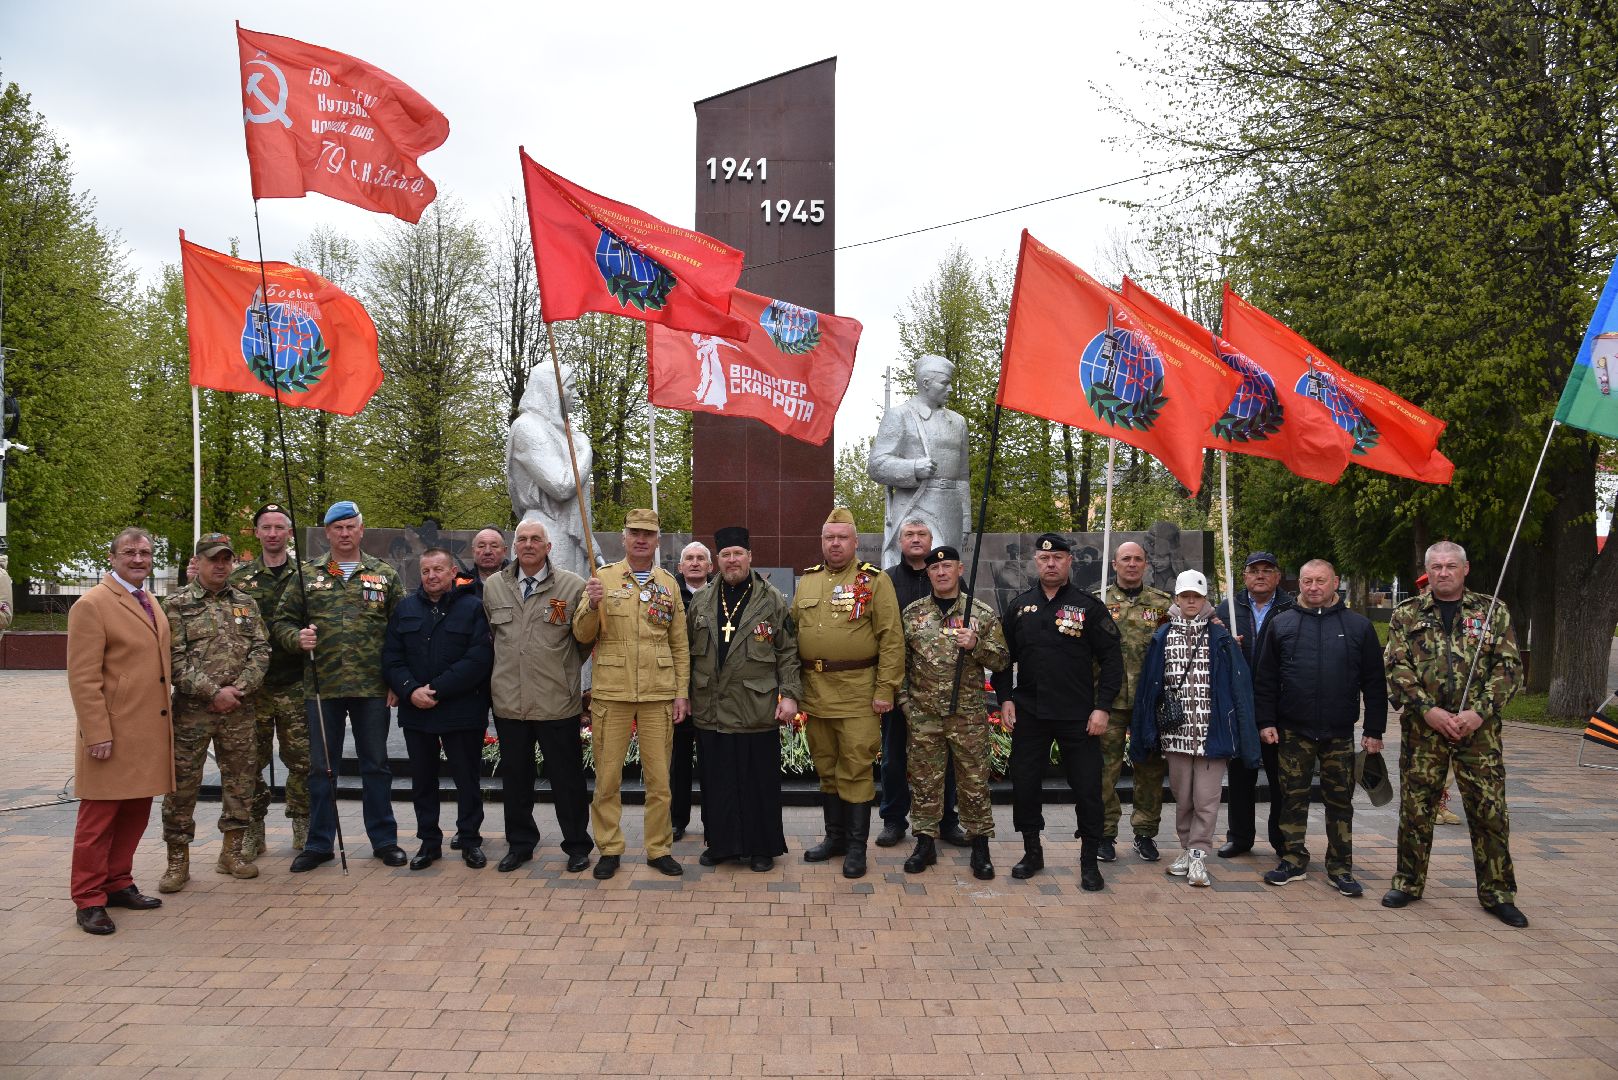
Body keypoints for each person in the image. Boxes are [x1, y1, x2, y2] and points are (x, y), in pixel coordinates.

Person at [1382, 541, 1527, 927]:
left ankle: (1498, 893)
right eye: (1436, 567)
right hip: (1424, 731)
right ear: (1427, 572)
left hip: (1477, 733)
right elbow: (1396, 667)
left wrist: (1478, 713)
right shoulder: (1407, 613)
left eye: (1450, 566)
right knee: (1416, 810)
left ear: (1465, 569)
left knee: (1489, 811)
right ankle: (1408, 882)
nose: (1443, 572)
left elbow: (1509, 667)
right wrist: (1428, 710)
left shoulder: (1491, 611)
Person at [273, 500, 407, 872]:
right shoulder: (308, 575)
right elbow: (282, 621)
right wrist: (297, 638)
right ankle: (319, 844)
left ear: (361, 530)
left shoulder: (382, 574)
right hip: (323, 686)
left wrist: (396, 680)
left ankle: (384, 840)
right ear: (328, 533)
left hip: (372, 687)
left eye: (351, 527)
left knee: (376, 766)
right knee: (322, 768)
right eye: (338, 528)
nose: (345, 534)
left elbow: (401, 630)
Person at [995, 534, 1124, 889]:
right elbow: (1003, 658)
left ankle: (1089, 861)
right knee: (1025, 784)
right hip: (1030, 713)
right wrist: (1005, 698)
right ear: (1036, 562)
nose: (1050, 564)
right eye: (1044, 558)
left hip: (1077, 715)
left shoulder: (1089, 607)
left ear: (1069, 561)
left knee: (1087, 787)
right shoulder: (1020, 606)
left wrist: (1102, 708)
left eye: (1058, 558)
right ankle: (1032, 852)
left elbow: (1112, 660)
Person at [1254, 559, 1387, 896]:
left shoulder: (1358, 626)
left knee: (1340, 802)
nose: (1314, 587)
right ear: (1298, 584)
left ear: (1335, 582)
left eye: (1321, 581)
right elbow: (1266, 678)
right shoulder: (1281, 624)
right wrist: (1266, 721)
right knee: (1291, 798)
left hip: (1338, 733)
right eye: (1307, 581)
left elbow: (1374, 682)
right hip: (1292, 731)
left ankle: (1340, 867)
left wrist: (1374, 730)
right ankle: (1292, 859)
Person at [66, 527, 174, 935]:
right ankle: (89, 898)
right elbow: (83, 677)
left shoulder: (148, 600)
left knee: (134, 813)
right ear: (112, 558)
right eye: (129, 552)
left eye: (145, 552)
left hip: (146, 731)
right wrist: (97, 732)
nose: (138, 559)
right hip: (111, 733)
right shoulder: (92, 604)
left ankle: (117, 882)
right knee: (98, 820)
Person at [573, 508, 689, 879]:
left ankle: (658, 849)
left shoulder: (668, 584)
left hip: (658, 693)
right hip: (613, 693)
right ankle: (609, 848)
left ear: (657, 540)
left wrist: (681, 693)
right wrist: (592, 604)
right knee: (607, 779)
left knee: (659, 781)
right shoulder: (601, 578)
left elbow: (679, 644)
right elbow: (582, 634)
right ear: (624, 537)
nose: (641, 539)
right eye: (635, 533)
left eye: (648, 534)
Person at [792, 507, 905, 878]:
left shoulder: (874, 580)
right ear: (821, 541)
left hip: (858, 693)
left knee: (855, 769)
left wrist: (886, 689)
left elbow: (891, 639)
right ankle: (835, 839)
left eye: (842, 537)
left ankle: (857, 848)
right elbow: (793, 634)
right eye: (829, 537)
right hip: (816, 693)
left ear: (855, 542)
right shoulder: (808, 581)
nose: (835, 544)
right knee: (826, 768)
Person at [158, 532, 271, 892]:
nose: (221, 566)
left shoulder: (245, 603)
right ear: (198, 562)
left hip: (239, 709)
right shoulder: (176, 604)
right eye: (213, 559)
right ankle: (177, 861)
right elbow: (172, 658)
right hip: (193, 712)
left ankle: (232, 852)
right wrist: (212, 692)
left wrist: (239, 689)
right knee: (182, 786)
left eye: (226, 559)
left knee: (240, 780)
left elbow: (261, 650)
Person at [1132, 570, 1259, 888]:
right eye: (1185, 596)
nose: (1191, 601)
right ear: (1177, 598)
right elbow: (1150, 685)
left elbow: (1239, 687)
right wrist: (1146, 729)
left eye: (1196, 597)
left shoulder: (1220, 637)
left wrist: (1242, 733)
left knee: (1206, 799)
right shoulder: (1162, 636)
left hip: (1211, 733)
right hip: (1175, 733)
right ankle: (1187, 850)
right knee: (1184, 798)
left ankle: (1199, 854)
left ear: (1204, 599)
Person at [685, 526, 801, 871]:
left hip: (756, 706)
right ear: (717, 560)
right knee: (717, 781)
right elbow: (686, 653)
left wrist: (790, 695)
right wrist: (683, 694)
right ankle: (721, 845)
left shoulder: (771, 599)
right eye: (725, 555)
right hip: (711, 706)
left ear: (750, 557)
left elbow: (788, 652)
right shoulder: (702, 600)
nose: (732, 560)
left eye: (738, 553)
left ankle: (761, 847)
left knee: (757, 782)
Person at [484, 520, 594, 874]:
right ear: (514, 546)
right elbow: (493, 637)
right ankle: (520, 845)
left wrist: (561, 671)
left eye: (536, 539)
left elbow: (583, 640)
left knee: (567, 781)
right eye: (522, 539)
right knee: (516, 780)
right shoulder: (494, 587)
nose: (528, 544)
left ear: (549, 547)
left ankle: (577, 845)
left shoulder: (572, 586)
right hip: (510, 702)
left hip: (556, 701)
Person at [899, 545, 1008, 879]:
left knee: (974, 782)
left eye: (947, 566)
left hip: (967, 716)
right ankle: (924, 843)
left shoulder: (981, 613)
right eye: (935, 568)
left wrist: (977, 645)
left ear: (960, 570)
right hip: (924, 715)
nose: (941, 572)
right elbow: (900, 664)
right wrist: (905, 704)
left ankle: (980, 846)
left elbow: (1002, 660)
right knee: (924, 782)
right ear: (928, 573)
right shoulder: (913, 614)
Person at [383, 547, 494, 870]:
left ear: (452, 572)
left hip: (462, 709)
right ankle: (429, 843)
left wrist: (436, 689)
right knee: (423, 782)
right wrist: (410, 690)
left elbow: (479, 658)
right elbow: (391, 657)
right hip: (417, 711)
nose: (432, 576)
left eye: (438, 570)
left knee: (467, 780)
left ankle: (470, 840)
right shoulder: (405, 608)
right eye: (426, 571)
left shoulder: (473, 607)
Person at [230, 503, 312, 858]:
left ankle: (303, 822)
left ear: (289, 533)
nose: (273, 533)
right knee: (250, 761)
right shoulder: (239, 579)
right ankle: (254, 827)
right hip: (254, 687)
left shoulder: (308, 576)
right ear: (257, 533)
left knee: (302, 760)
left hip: (296, 682)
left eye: (280, 527)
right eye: (267, 527)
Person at [876, 519, 964, 850]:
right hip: (899, 684)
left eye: (921, 534)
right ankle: (894, 820)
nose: (915, 539)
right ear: (899, 542)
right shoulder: (886, 580)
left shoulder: (946, 577)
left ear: (931, 540)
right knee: (894, 757)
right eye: (909, 535)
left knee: (944, 757)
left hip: (940, 687)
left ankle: (946, 819)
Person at [1096, 540, 1171, 863]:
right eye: (1125, 559)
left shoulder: (1163, 604)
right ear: (1114, 564)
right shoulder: (1097, 602)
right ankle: (1104, 835)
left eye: (1137, 559)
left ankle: (1145, 833)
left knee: (1150, 772)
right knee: (1104, 772)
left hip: (1147, 703)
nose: (1131, 564)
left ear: (1146, 564)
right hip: (1108, 702)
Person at [1220, 551, 1298, 859]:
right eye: (1254, 571)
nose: (1261, 576)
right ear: (1244, 576)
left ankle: (1281, 838)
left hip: (1279, 705)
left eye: (1267, 570)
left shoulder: (1291, 608)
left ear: (1278, 576)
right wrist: (1226, 644)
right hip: (1240, 702)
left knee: (1281, 776)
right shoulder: (1228, 608)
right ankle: (1240, 837)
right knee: (1240, 775)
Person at [868, 354, 972, 565]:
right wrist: (913, 468)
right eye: (945, 383)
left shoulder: (958, 422)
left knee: (948, 569)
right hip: (916, 505)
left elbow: (962, 477)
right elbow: (876, 465)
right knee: (925, 565)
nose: (950, 389)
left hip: (951, 510)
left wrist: (966, 518)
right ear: (925, 383)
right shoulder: (900, 415)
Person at [672, 540, 713, 842]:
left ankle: (714, 821)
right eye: (690, 558)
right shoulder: (668, 594)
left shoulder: (722, 594)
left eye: (701, 558)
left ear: (710, 567)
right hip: (678, 690)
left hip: (712, 691)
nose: (695, 563)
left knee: (712, 761)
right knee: (678, 761)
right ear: (680, 566)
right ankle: (676, 820)